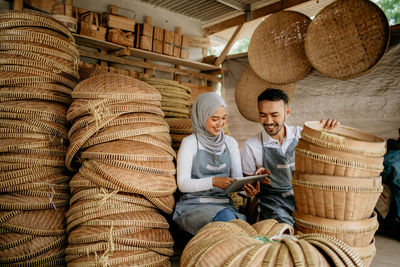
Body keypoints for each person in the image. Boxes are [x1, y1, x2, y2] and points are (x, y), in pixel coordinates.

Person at [240, 88, 338, 225]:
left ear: (287, 112)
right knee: (284, 230)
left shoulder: (302, 135)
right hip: (272, 202)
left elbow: (330, 151)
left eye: (274, 115)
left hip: (305, 196)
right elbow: (248, 185)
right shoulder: (250, 146)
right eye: (263, 115)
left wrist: (331, 131)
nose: (268, 121)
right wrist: (255, 184)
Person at [173, 92, 256, 235]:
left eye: (224, 118)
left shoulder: (230, 143)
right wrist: (213, 181)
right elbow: (182, 183)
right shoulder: (190, 143)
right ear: (202, 116)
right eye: (214, 119)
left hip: (224, 206)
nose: (220, 124)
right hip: (194, 206)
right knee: (229, 226)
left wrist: (247, 190)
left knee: (240, 228)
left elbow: (236, 179)